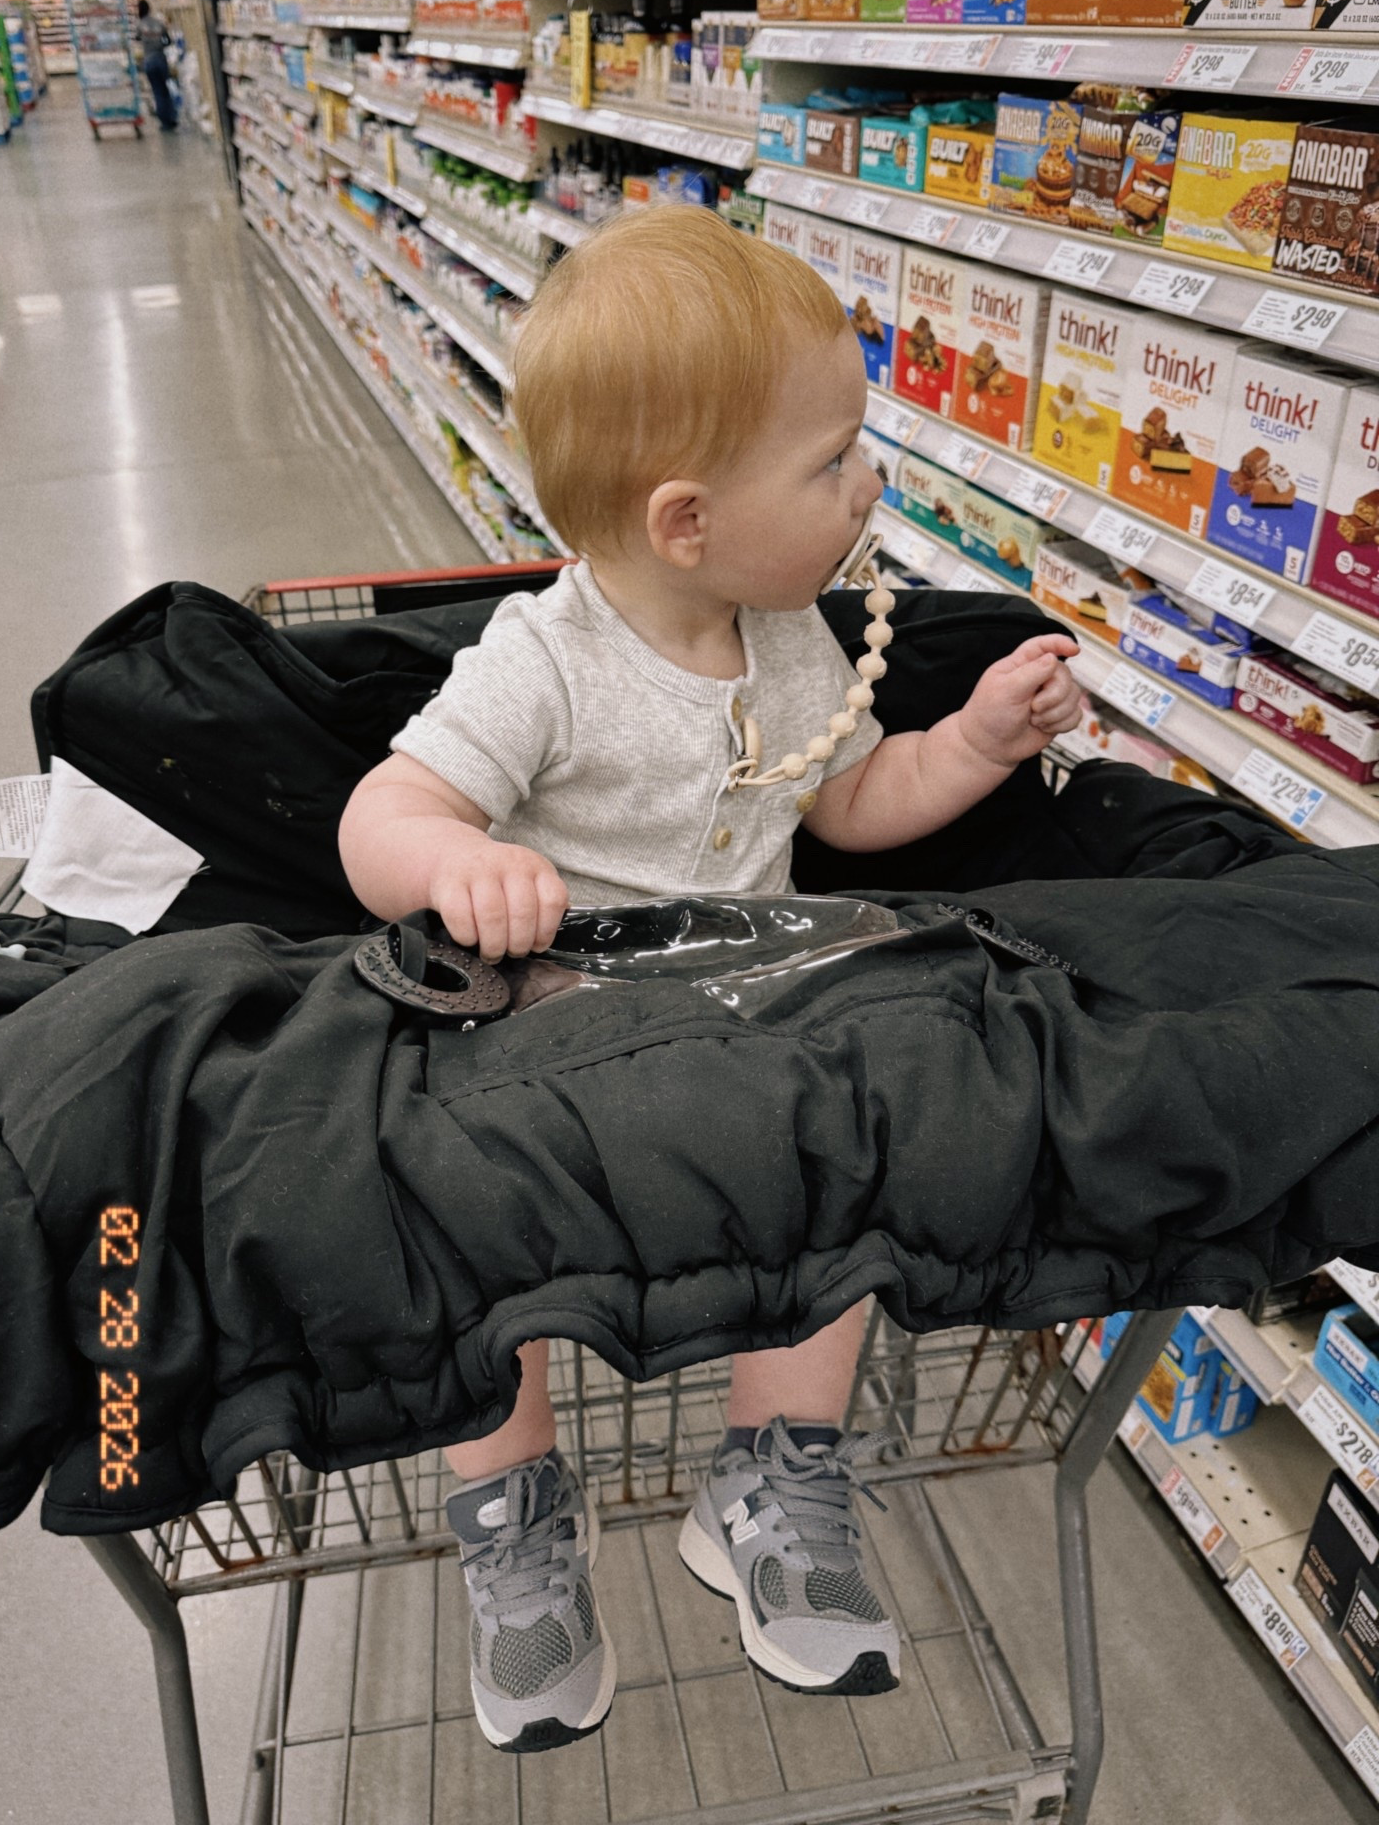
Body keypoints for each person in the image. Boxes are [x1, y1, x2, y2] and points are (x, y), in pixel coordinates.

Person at [338, 207, 1082, 1755]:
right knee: (461, 1230)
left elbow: (848, 807)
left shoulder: (793, 634)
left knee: (839, 1176)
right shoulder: (540, 660)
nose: (869, 482)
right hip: (553, 1023)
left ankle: (772, 1467)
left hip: (748, 1009)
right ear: (686, 522)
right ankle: (521, 1513)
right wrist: (451, 866)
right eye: (833, 462)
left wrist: (977, 746)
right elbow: (379, 819)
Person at [136, 0, 176, 132]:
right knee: (166, 89)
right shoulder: (159, 23)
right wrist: (160, 45)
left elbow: (137, 39)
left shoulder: (140, 25)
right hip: (161, 58)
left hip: (149, 61)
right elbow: (168, 40)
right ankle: (172, 118)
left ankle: (164, 121)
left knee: (157, 91)